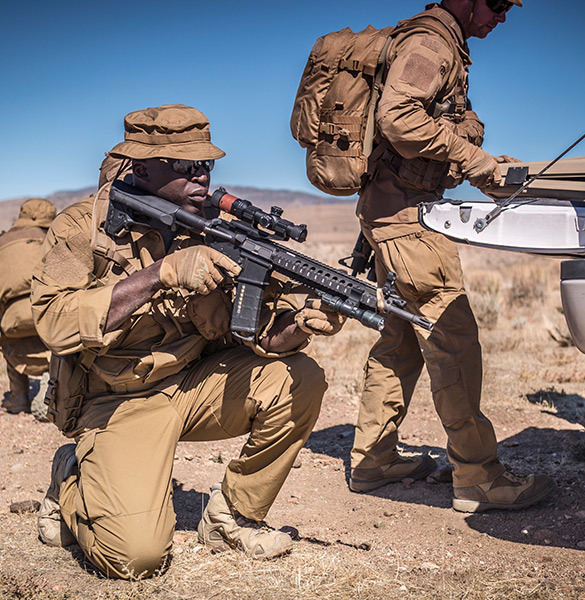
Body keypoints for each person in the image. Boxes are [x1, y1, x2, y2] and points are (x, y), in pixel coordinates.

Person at [31, 104, 344, 579]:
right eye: (185, 165)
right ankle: (72, 478)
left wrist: (300, 324)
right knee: (136, 559)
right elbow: (54, 323)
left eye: (206, 164)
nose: (201, 175)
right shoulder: (83, 227)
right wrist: (159, 274)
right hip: (117, 400)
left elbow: (257, 332)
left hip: (193, 384)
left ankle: (232, 519)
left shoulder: (217, 231)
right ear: (142, 168)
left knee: (298, 378)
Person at [349, 0, 555, 512]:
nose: (501, 17)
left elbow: (426, 136)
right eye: (497, 3)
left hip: (391, 214)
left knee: (399, 341)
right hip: (407, 222)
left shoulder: (438, 44)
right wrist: (476, 162)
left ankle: (374, 460)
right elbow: (399, 120)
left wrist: (483, 164)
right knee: (452, 339)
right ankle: (479, 477)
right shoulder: (431, 44)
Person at [0, 197, 56, 419]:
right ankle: (53, 385)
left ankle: (18, 396)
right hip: (48, 319)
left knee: (6, 331)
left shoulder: (4, 242)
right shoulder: (54, 239)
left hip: (12, 324)